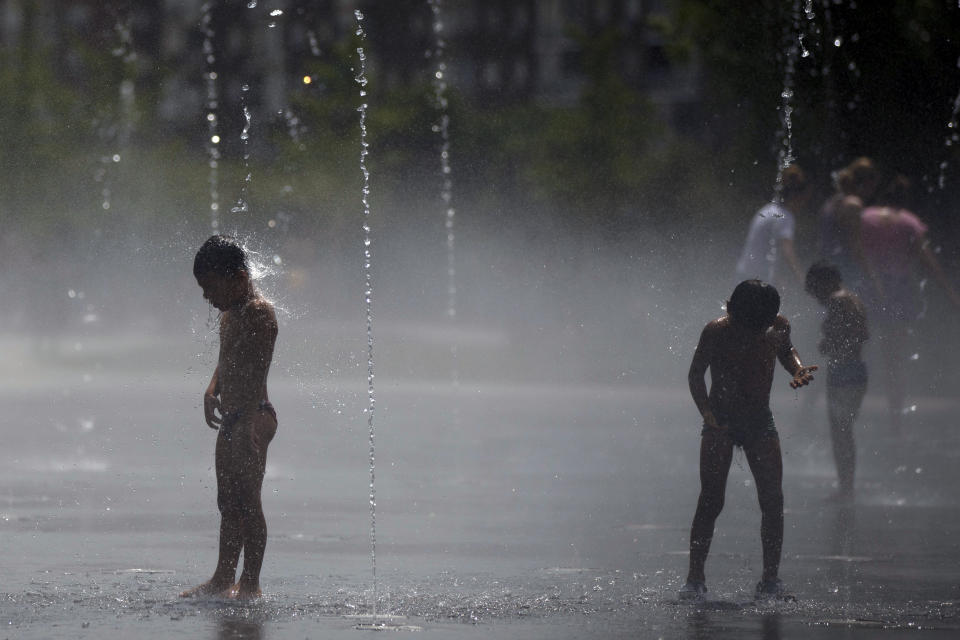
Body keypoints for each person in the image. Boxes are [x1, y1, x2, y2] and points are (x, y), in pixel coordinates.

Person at [679, 280, 817, 601]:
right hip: (721, 421)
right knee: (711, 499)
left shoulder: (777, 327)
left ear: (770, 320)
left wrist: (796, 369)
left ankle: (771, 580)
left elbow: (786, 350)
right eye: (746, 327)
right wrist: (707, 413)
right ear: (730, 310)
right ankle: (694, 578)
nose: (751, 334)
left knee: (772, 500)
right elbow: (695, 373)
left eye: (759, 328)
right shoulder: (716, 331)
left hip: (759, 421)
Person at [180, 235, 279, 600]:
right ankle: (223, 577)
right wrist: (211, 389)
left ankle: (250, 582)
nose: (207, 297)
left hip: (254, 417)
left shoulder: (259, 312)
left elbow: (259, 364)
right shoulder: (229, 314)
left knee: (248, 500)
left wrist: (253, 416)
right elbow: (227, 358)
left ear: (238, 278)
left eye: (210, 288)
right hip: (233, 418)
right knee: (228, 501)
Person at [860, 175, 960, 431]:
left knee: (856, 349)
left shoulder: (866, 218)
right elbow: (928, 261)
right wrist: (950, 293)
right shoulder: (909, 223)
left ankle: (851, 416)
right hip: (897, 289)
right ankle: (895, 421)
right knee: (895, 358)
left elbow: (855, 251)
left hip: (868, 286)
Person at [805, 262, 869, 501]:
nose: (814, 296)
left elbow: (848, 336)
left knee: (841, 432)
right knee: (844, 431)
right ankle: (846, 487)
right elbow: (862, 334)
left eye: (814, 289)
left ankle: (846, 488)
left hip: (845, 372)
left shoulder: (838, 300)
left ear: (826, 283)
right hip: (855, 371)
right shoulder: (852, 299)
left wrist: (829, 344)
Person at [735, 165, 813, 289]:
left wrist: (776, 277)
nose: (803, 206)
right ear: (798, 197)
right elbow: (787, 251)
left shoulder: (767, 210)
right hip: (758, 280)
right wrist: (802, 280)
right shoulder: (785, 216)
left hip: (744, 274)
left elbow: (764, 249)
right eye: (804, 201)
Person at [818, 157, 881, 295]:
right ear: (868, 182)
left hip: (826, 267)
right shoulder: (853, 204)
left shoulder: (832, 201)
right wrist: (873, 278)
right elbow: (855, 246)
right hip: (845, 269)